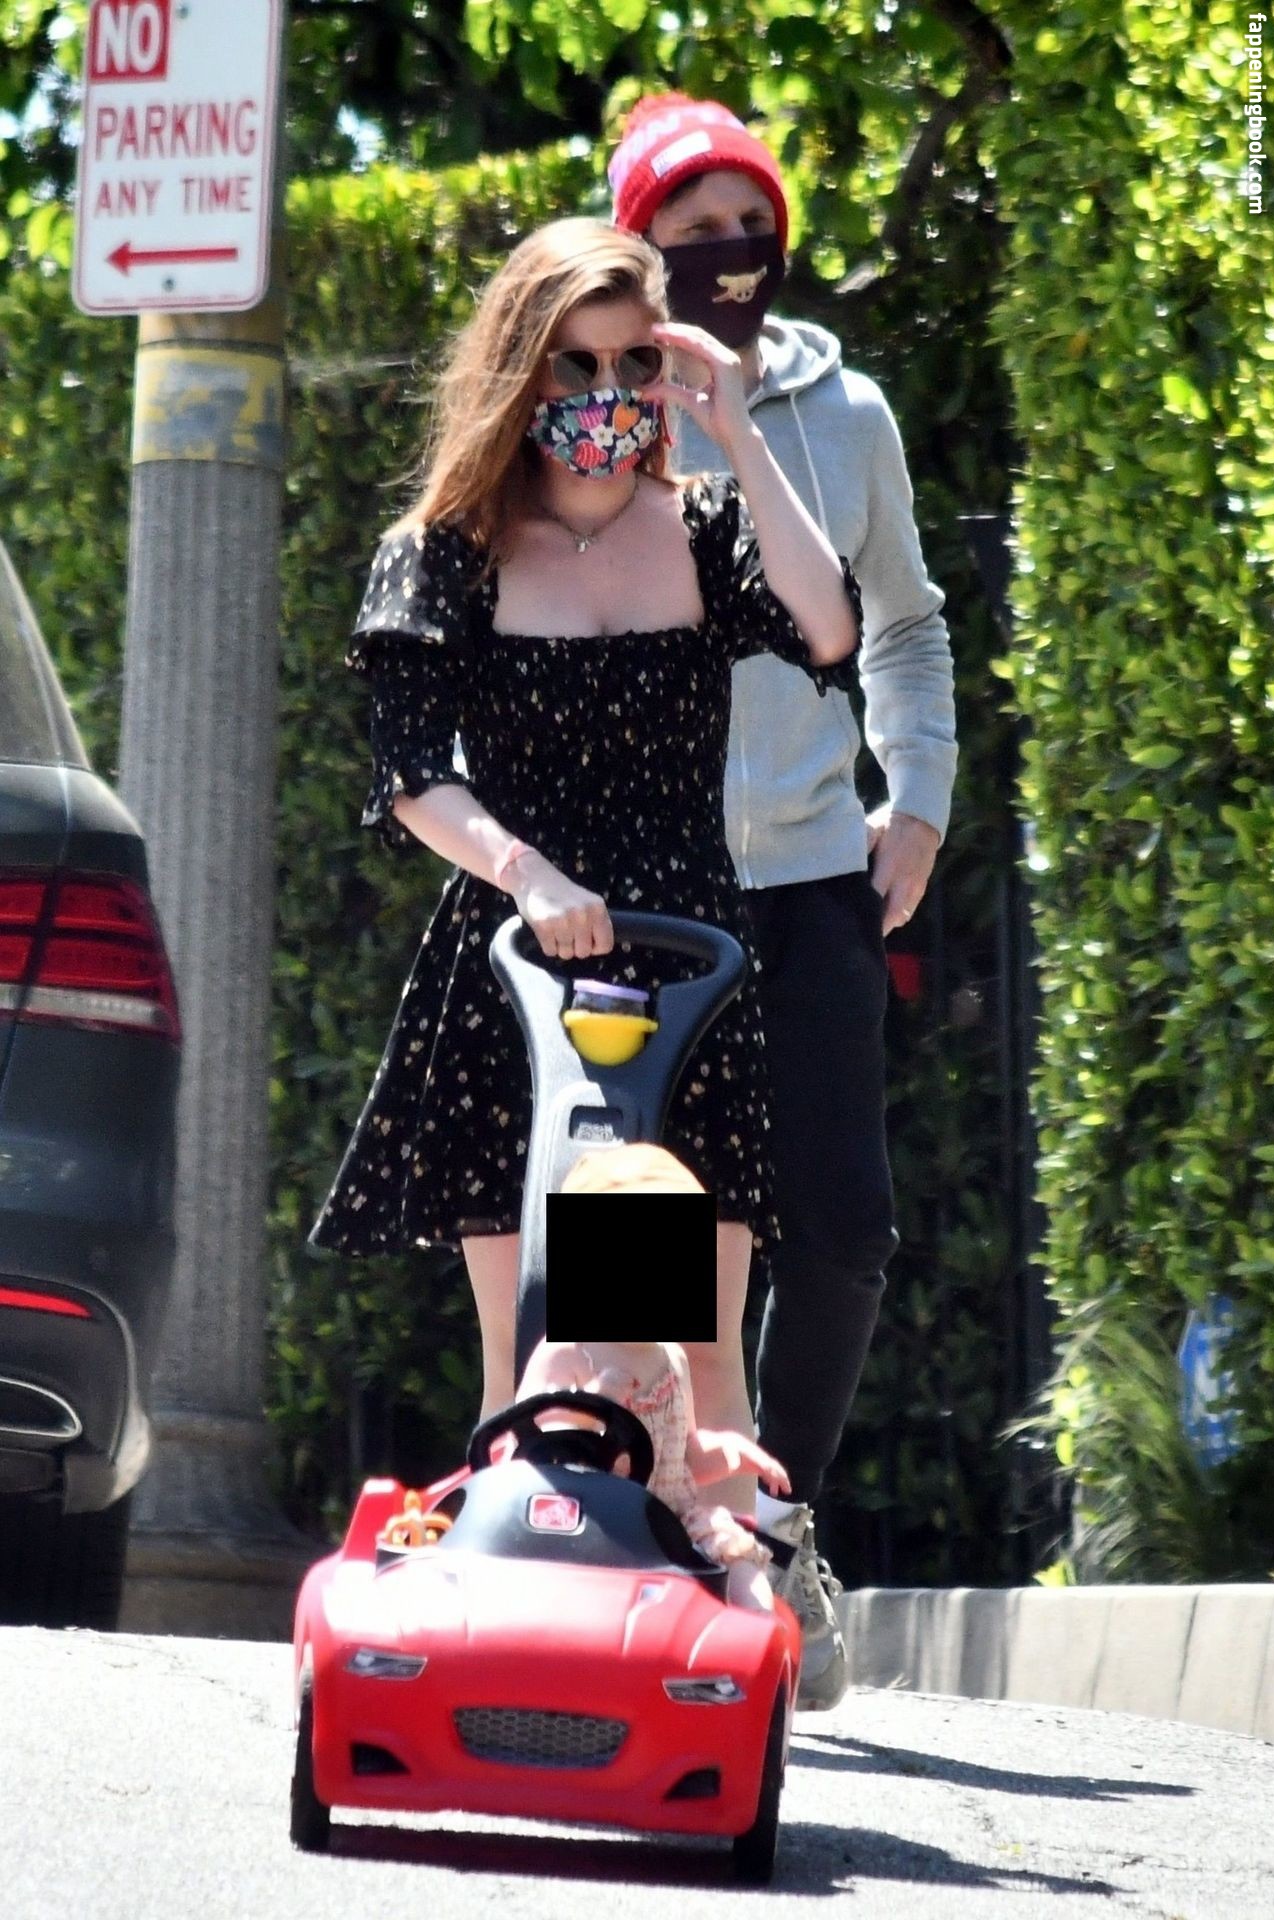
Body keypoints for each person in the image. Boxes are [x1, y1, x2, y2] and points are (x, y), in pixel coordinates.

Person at [309, 219, 862, 1535]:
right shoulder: (448, 550)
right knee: (537, 1369)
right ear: (523, 370)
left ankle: (737, 1585)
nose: (606, 392)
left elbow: (829, 625)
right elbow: (411, 774)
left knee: (696, 1372)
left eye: (631, 363)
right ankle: (522, 1588)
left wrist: (738, 436)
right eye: (576, 364)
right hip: (523, 975)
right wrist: (529, 875)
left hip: (680, 974)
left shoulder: (703, 529)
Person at [608, 95, 958, 1707]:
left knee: (843, 1228)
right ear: (639, 250)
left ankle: (779, 1521)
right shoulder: (596, 403)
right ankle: (654, 1538)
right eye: (693, 236)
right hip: (647, 885)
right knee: (648, 1223)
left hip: (815, 872)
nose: (729, 257)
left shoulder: (846, 410)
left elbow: (903, 623)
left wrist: (918, 798)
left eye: (752, 228)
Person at [514, 1144, 790, 1611]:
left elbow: (682, 1456)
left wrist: (732, 1452)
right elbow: (531, 1451)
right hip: (581, 1526)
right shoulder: (569, 1352)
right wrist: (593, 1403)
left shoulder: (671, 1360)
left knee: (738, 1558)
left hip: (666, 1528)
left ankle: (753, 1640)